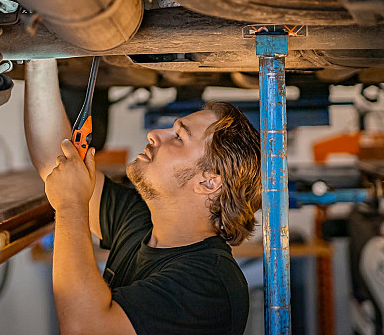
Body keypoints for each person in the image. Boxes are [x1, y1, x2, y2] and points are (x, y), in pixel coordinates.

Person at [24, 59, 262, 335]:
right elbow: (56, 161)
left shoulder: (210, 282)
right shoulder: (142, 220)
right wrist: (38, 59)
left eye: (178, 137)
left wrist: (71, 204)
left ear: (208, 182)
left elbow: (85, 329)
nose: (154, 134)